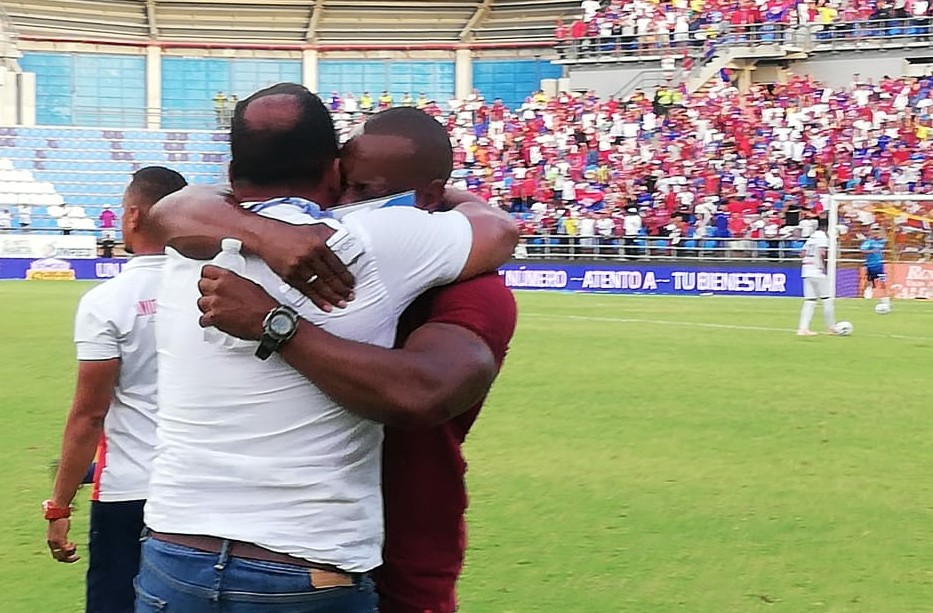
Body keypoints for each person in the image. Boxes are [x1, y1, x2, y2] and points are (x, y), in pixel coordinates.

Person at [137, 84, 517, 612]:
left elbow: (171, 210)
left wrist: (258, 242)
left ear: (230, 173)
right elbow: (500, 226)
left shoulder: (188, 248)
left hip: (173, 554)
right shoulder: (367, 239)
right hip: (304, 564)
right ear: (332, 168)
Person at [43, 167, 187, 613]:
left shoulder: (107, 302)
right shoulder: (218, 290)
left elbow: (89, 415)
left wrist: (59, 506)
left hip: (129, 491)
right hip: (203, 491)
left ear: (132, 215)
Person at [798, 215, 837, 336]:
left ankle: (803, 328)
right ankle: (831, 327)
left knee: (810, 301)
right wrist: (822, 267)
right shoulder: (822, 237)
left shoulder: (811, 237)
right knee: (827, 299)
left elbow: (802, 253)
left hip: (806, 269)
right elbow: (821, 252)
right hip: (816, 270)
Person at [861, 223, 890, 308]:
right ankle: (867, 296)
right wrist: (872, 251)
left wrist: (881, 230)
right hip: (871, 265)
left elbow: (886, 238)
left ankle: (884, 298)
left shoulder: (880, 241)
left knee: (882, 281)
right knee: (870, 281)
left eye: (877, 230)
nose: (876, 232)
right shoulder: (868, 242)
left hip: (879, 265)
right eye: (874, 230)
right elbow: (862, 250)